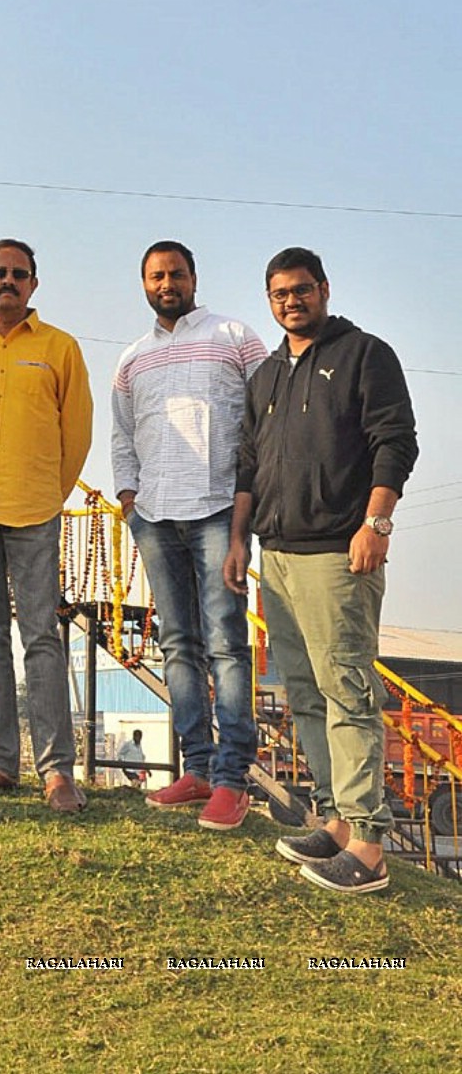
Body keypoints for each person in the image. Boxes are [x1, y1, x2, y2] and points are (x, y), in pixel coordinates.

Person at [225, 247, 418, 894]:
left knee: (348, 692)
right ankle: (335, 819)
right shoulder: (267, 376)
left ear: (323, 289)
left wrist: (376, 523)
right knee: (304, 693)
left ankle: (367, 846)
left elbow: (395, 439)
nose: (290, 301)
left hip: (340, 552)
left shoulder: (364, 354)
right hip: (275, 557)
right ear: (269, 299)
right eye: (278, 293)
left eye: (301, 289)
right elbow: (248, 465)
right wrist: (238, 543)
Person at [111, 241, 268, 831]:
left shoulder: (235, 336)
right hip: (156, 515)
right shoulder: (132, 359)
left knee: (226, 643)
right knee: (178, 645)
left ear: (194, 277)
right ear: (144, 284)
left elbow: (264, 420)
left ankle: (232, 779)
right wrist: (129, 499)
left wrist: (246, 509)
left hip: (217, 511)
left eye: (176, 273)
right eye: (156, 275)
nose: (167, 283)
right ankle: (196, 768)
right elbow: (122, 438)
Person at [0, 239, 93, 813]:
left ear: (34, 284)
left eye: (19, 274)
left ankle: (57, 770)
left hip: (34, 509)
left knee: (41, 638)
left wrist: (47, 494)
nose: (9, 281)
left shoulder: (60, 348)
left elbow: (75, 434)